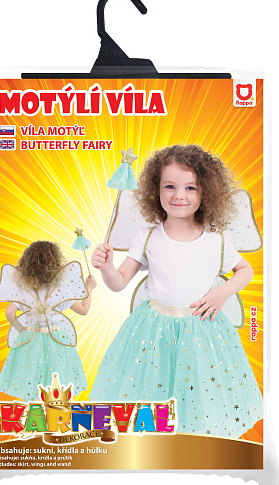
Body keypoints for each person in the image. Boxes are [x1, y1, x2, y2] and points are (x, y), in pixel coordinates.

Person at [90, 145, 262, 438]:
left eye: (190, 187)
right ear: (155, 190)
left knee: (198, 391)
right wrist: (106, 267)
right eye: (169, 186)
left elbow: (246, 270)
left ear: (206, 191)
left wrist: (221, 293)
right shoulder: (147, 236)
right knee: (152, 390)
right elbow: (118, 283)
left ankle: (193, 444)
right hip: (152, 331)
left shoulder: (216, 239)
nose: (179, 195)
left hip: (202, 330)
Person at [0, 240, 96, 400]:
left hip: (30, 338)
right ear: (55, 264)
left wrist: (21, 330)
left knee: (31, 380)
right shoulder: (60, 290)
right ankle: (55, 410)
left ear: (27, 264)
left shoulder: (24, 290)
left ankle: (34, 410)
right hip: (56, 340)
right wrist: (89, 286)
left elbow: (9, 313)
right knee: (57, 381)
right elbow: (83, 310)